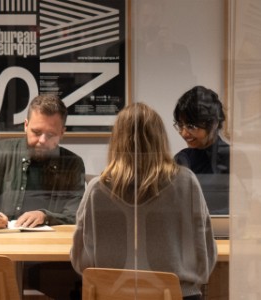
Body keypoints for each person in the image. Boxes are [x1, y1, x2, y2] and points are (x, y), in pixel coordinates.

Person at [70, 103, 217, 300]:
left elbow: (81, 262)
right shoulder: (186, 183)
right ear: (160, 140)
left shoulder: (97, 189)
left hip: (111, 296)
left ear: (117, 142)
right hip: (177, 296)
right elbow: (205, 256)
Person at [0, 94, 85, 229]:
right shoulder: (2, 152)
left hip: (51, 246)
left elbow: (78, 216)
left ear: (62, 132)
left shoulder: (72, 163)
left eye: (50, 135)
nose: (42, 141)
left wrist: (45, 217)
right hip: (5, 243)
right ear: (26, 125)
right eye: (36, 132)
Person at [173, 86, 229, 215]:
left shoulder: (234, 158)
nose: (184, 133)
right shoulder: (182, 160)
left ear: (214, 123)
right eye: (181, 125)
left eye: (191, 126)